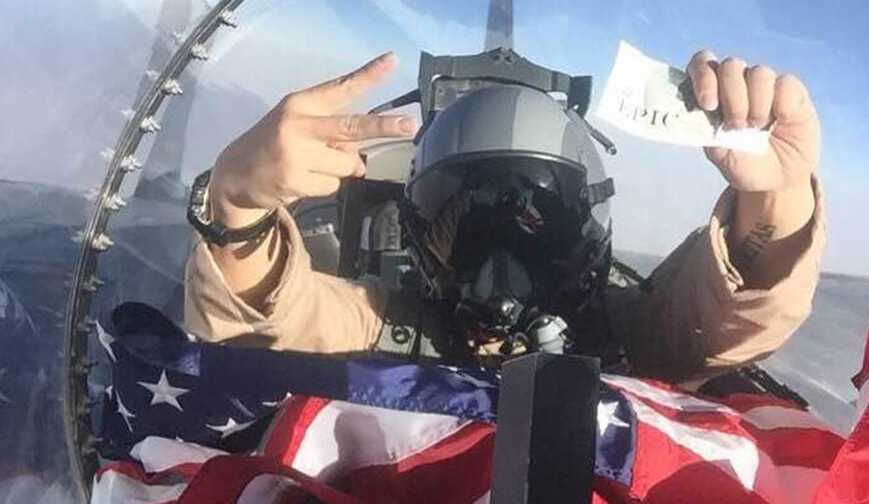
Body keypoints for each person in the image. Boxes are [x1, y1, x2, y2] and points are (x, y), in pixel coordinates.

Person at [183, 49, 824, 387]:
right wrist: (238, 208)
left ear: (589, 227)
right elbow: (278, 326)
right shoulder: (385, 327)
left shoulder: (632, 332)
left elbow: (724, 323)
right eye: (468, 228)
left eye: (534, 226)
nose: (499, 274)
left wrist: (777, 194)